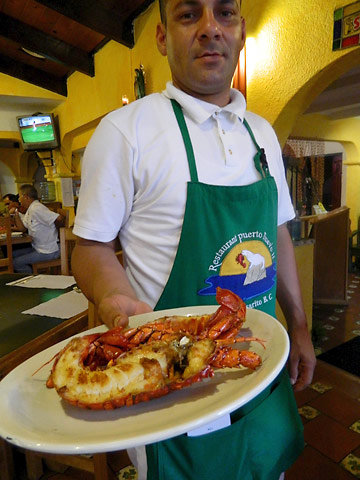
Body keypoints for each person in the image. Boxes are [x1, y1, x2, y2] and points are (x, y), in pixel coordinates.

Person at [72, 0, 316, 478]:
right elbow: (91, 247)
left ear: (241, 30)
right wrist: (113, 296)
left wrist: (300, 326)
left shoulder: (262, 134)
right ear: (163, 37)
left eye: (224, 13)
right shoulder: (126, 132)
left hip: (259, 368)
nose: (210, 29)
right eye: (189, 15)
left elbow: (278, 235)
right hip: (174, 386)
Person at [12, 184, 64, 273]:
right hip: (37, 247)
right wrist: (16, 213)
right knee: (12, 254)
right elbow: (22, 228)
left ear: (26, 197)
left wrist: (57, 233)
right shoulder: (30, 209)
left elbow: (59, 218)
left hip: (49, 250)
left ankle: (30, 281)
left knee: (16, 262)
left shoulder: (37, 208)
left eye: (20, 196)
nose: (18, 199)